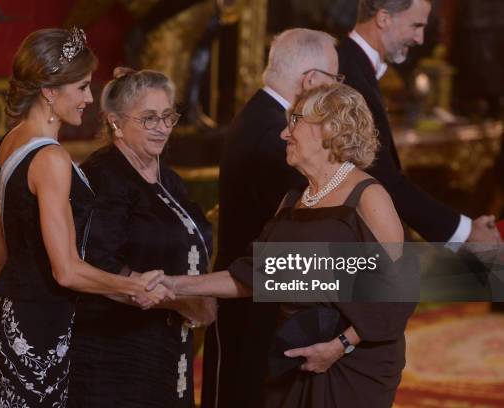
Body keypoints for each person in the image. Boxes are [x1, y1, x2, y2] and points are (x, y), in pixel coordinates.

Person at [165, 83, 417, 407]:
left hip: (352, 366)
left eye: (295, 121)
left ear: (330, 127)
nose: (285, 134)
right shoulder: (293, 200)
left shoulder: (369, 197)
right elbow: (253, 275)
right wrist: (177, 285)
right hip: (292, 356)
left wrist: (340, 344)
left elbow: (400, 290)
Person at [0, 29, 170, 407]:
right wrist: (133, 288)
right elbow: (66, 271)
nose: (88, 98)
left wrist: (16, 304)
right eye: (82, 87)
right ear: (50, 90)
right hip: (38, 330)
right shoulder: (50, 159)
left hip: (7, 319)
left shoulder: (9, 142)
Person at [204, 28, 342, 408]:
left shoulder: (263, 116)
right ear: (311, 80)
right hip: (254, 311)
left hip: (257, 301)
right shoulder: (274, 135)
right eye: (334, 80)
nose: (335, 92)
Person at [68, 68, 216, 408]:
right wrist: (176, 298)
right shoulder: (104, 176)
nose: (163, 128)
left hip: (168, 344)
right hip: (116, 352)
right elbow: (97, 263)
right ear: (116, 123)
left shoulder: (169, 177)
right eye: (149, 119)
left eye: (168, 116)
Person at [338, 0, 502, 245]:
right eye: (415, 25)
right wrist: (465, 232)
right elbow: (379, 177)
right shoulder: (350, 72)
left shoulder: (355, 64)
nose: (420, 38)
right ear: (384, 19)